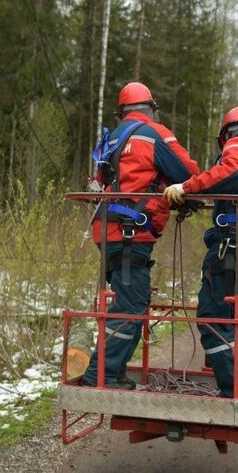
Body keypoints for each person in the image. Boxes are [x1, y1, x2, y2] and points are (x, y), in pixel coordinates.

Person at [82, 82, 199, 389]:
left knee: (132, 301)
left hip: (108, 230)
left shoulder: (111, 139)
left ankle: (113, 372)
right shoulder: (154, 134)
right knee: (130, 306)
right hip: (129, 233)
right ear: (151, 109)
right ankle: (102, 375)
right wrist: (181, 191)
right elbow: (188, 173)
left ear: (121, 112)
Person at [163, 106, 238, 400]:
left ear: (226, 132)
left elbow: (231, 171)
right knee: (234, 320)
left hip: (232, 244)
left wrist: (187, 187)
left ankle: (236, 394)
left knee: (212, 318)